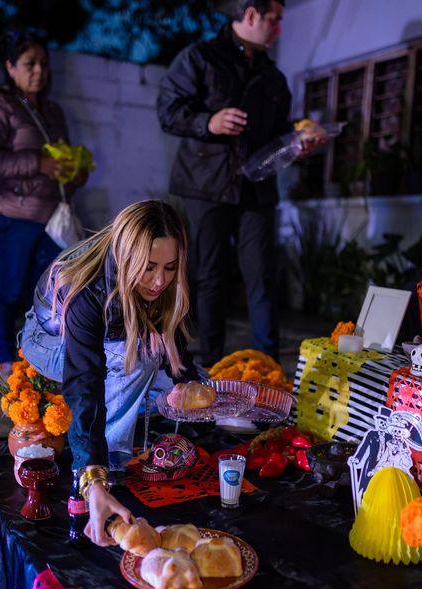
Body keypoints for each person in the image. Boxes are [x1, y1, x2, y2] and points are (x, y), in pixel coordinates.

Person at [20, 200, 202, 546]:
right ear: (127, 257)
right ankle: (110, 461)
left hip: (111, 333)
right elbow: (84, 380)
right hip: (47, 341)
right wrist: (93, 476)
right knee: (137, 358)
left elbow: (168, 330)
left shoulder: (157, 280)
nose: (161, 280)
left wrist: (186, 381)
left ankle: (134, 410)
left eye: (170, 267)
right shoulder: (87, 290)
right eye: (149, 268)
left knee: (174, 375)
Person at [157, 0, 322, 367]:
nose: (280, 27)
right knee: (209, 276)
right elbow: (168, 112)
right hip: (206, 184)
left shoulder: (273, 77)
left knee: (262, 276)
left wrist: (299, 143)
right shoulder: (200, 57)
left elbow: (279, 134)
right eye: (274, 19)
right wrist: (208, 122)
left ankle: (268, 368)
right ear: (250, 15)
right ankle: (209, 366)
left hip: (256, 188)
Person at [0, 31, 86, 379]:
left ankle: (38, 364)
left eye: (44, 64)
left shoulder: (52, 111)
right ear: (9, 66)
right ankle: (5, 362)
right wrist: (38, 163)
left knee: (51, 295)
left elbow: (62, 157)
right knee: (10, 288)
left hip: (53, 219)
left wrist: (74, 174)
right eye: (29, 64)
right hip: (15, 215)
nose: (39, 71)